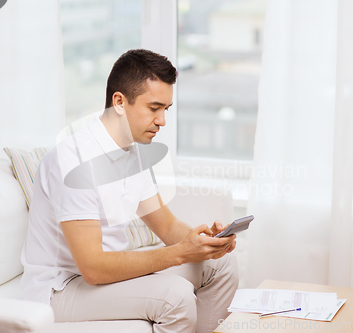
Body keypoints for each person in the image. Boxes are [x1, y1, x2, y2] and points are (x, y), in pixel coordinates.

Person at [20, 49, 239, 333]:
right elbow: (93, 267)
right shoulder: (74, 161)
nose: (162, 120)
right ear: (120, 102)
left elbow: (167, 225)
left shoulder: (132, 155)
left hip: (107, 279)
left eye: (166, 110)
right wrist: (180, 254)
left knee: (221, 265)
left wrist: (205, 243)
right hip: (62, 289)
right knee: (176, 296)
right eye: (154, 108)